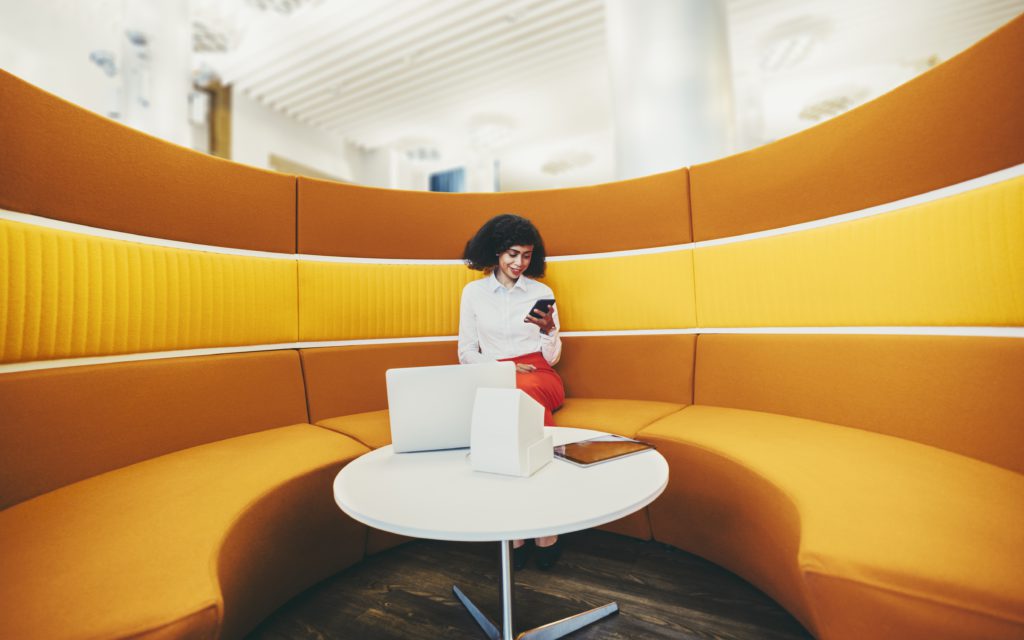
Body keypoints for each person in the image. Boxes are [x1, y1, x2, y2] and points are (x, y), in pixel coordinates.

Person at [458, 213, 564, 570]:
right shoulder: (473, 293)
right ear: (495, 252)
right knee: (507, 395)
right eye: (512, 254)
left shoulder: (541, 293)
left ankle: (534, 524)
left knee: (521, 394)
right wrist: (501, 368)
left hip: (539, 372)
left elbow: (552, 357)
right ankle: (527, 524)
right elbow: (466, 352)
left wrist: (549, 331)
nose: (520, 263)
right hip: (495, 374)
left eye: (527, 255)